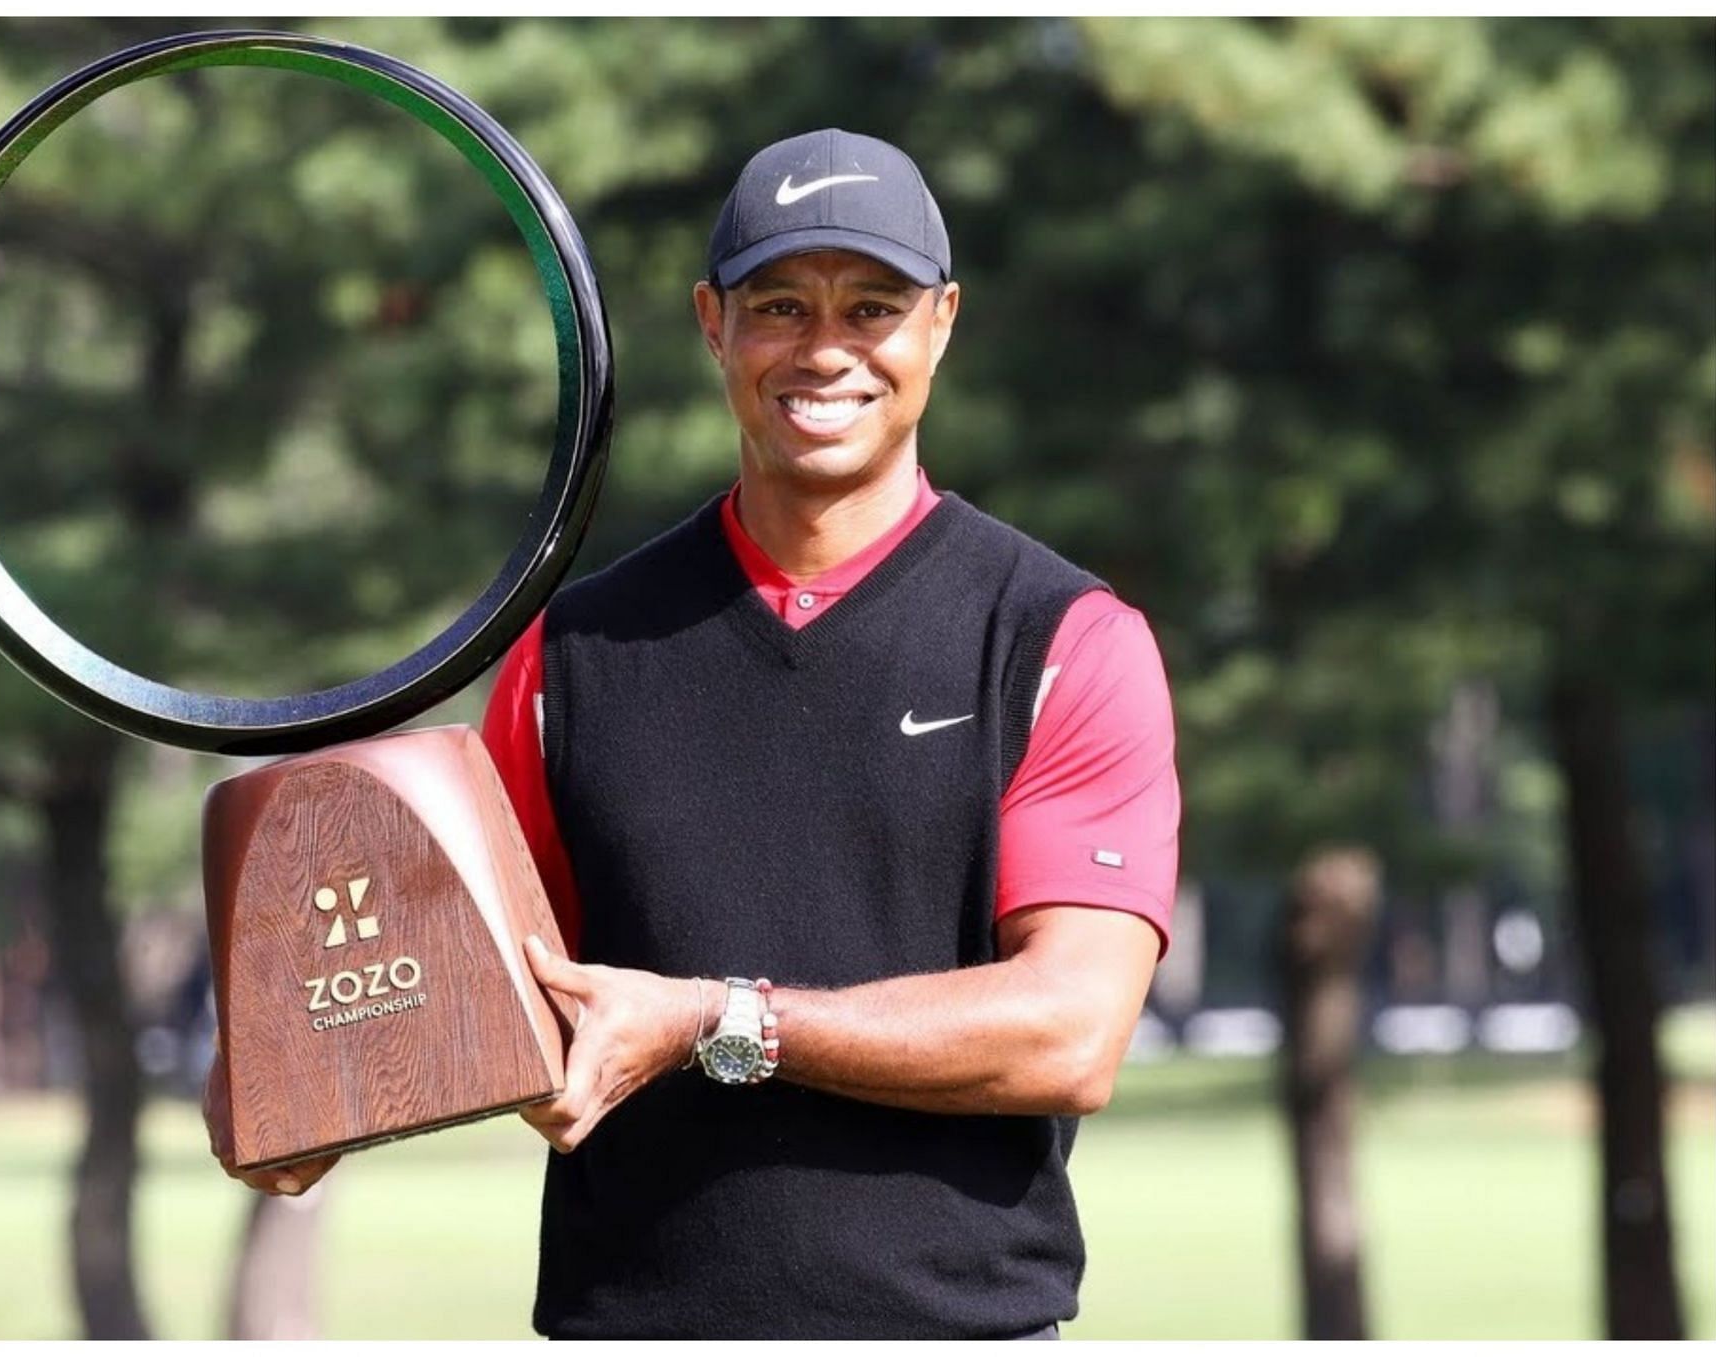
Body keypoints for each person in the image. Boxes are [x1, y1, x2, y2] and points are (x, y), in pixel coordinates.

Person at [208, 128, 1179, 1341]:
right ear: (712, 322)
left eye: (872, 306)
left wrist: (716, 1023)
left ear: (941, 322)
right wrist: (304, 1074)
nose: (826, 349)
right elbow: (493, 993)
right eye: (780, 304)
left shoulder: (1060, 638)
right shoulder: (573, 655)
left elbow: (1069, 1033)